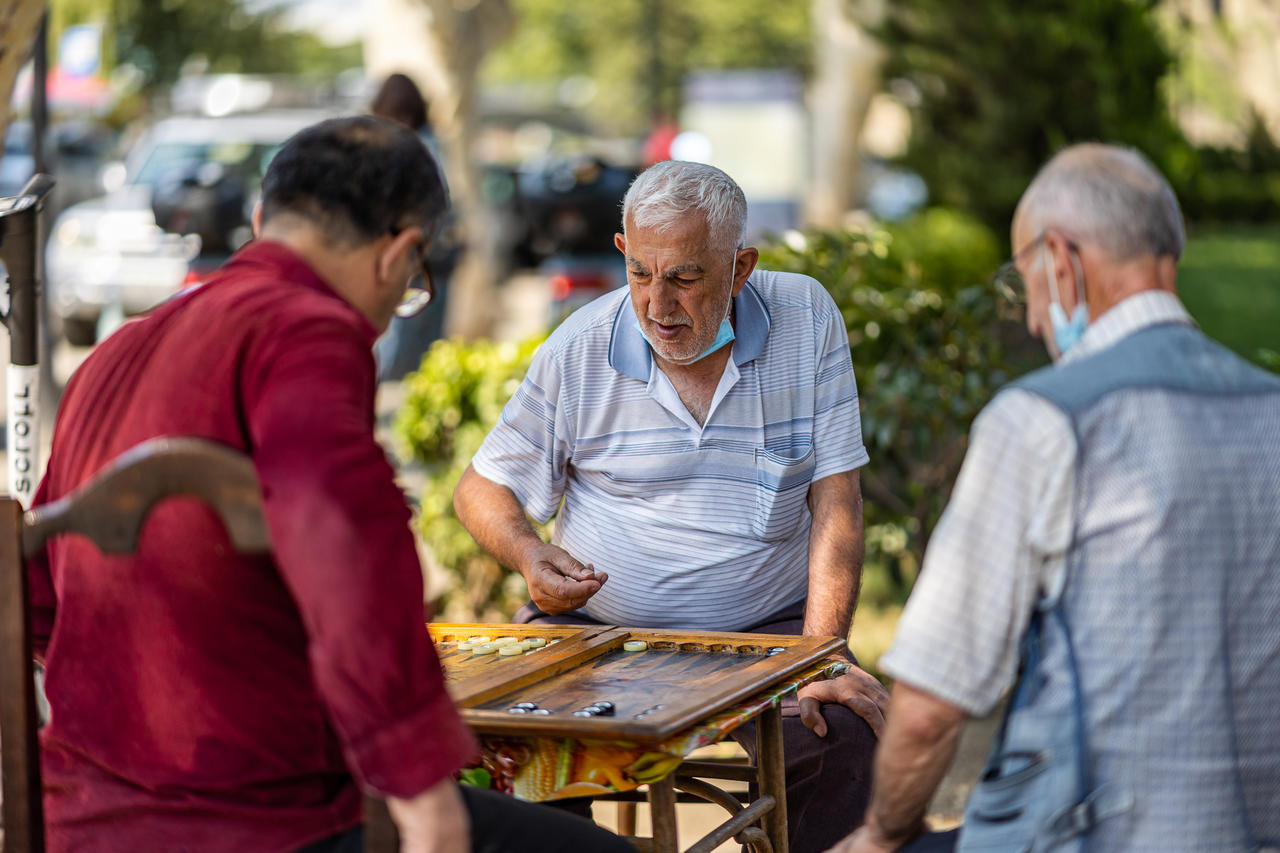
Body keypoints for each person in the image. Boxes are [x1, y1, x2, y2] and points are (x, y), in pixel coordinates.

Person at [27, 115, 633, 853]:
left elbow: (37, 603)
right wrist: (420, 788)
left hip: (82, 815)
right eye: (416, 283)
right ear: (403, 252)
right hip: (265, 821)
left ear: (260, 220)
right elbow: (346, 551)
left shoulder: (114, 352)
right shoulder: (305, 331)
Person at [825, 143, 1280, 853]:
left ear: (1061, 260)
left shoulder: (1042, 420)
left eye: (1026, 280)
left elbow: (929, 708)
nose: (1035, 316)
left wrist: (881, 835)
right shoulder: (1270, 408)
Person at [454, 159, 890, 853]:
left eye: (686, 277)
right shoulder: (580, 347)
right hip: (597, 636)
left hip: (769, 635)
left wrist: (820, 660)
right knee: (519, 750)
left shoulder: (806, 319)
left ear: (741, 266)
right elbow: (481, 487)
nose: (658, 305)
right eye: (642, 275)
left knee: (841, 737)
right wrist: (530, 552)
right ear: (623, 252)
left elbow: (837, 500)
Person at [369, 72, 458, 381]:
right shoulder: (432, 145)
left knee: (395, 341)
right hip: (434, 261)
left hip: (400, 258)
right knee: (426, 344)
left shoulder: (384, 147)